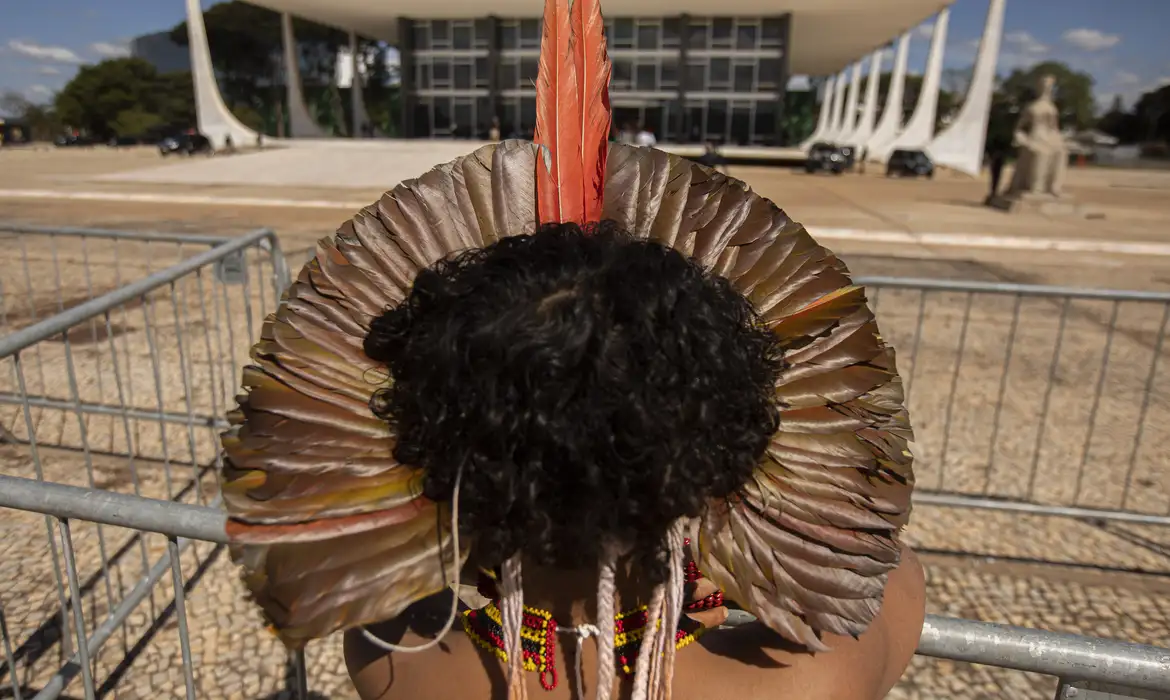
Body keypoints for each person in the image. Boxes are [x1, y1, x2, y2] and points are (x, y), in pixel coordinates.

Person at [216, 0, 922, 698]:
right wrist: (718, 544)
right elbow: (889, 568)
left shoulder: (396, 667)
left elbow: (396, 599)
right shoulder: (812, 682)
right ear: (717, 455)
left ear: (441, 457)